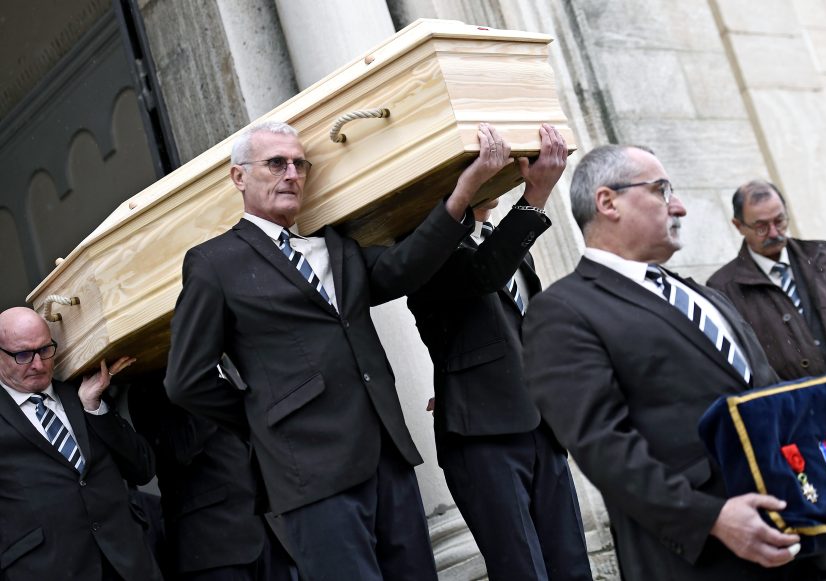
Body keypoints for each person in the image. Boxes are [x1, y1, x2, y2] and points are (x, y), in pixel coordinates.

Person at [164, 120, 511, 581]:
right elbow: (186, 379)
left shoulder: (337, 248)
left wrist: (463, 192)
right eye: (276, 164)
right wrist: (262, 418)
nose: (291, 174)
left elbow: (405, 266)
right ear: (238, 176)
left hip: (388, 457)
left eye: (299, 164)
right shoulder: (214, 263)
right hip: (310, 474)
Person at [523, 144, 826, 580]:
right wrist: (711, 518)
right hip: (701, 562)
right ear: (608, 202)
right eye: (662, 190)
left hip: (794, 551)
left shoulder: (705, 296)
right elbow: (604, 447)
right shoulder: (563, 311)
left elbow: (776, 403)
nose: (678, 206)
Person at [407, 124, 592, 581]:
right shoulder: (425, 250)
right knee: (522, 570)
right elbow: (482, 274)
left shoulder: (503, 242)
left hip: (540, 424)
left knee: (571, 566)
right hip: (482, 435)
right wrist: (535, 197)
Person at [707, 179, 826, 581]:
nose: (774, 232)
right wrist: (811, 405)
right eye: (761, 226)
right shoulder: (723, 289)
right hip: (797, 443)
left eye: (780, 220)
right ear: (738, 225)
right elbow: (743, 365)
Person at [0, 306, 161, 581]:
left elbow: (142, 469)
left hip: (129, 565)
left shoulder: (82, 393)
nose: (38, 364)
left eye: (45, 350)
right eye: (23, 355)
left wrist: (95, 408)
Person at [130, 365, 298, 581]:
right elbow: (180, 449)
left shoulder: (227, 365)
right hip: (212, 546)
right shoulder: (150, 383)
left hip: (271, 535)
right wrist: (202, 384)